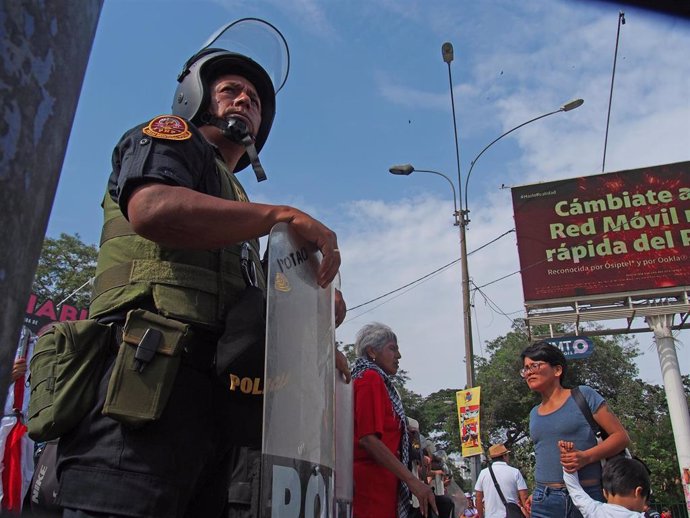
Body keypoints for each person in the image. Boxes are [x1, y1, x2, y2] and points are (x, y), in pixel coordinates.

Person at [54, 20, 346, 518]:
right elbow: (154, 209)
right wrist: (279, 215)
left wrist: (312, 313)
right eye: (231, 90)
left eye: (254, 98)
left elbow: (247, 308)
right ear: (195, 97)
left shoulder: (236, 199)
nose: (245, 101)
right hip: (140, 390)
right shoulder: (170, 138)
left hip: (210, 411)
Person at [521, 341, 630, 518]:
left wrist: (586, 457)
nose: (529, 372)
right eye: (525, 369)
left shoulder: (584, 395)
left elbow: (621, 437)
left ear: (557, 370)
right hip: (544, 501)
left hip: (588, 497)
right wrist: (540, 492)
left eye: (535, 365)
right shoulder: (534, 413)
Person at [352, 323, 438, 518]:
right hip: (371, 487)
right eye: (392, 348)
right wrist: (413, 481)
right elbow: (369, 440)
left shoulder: (375, 380)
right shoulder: (370, 378)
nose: (398, 356)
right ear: (372, 351)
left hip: (382, 484)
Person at [560, 441, 650, 517]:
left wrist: (568, 460)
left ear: (605, 493)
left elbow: (575, 490)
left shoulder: (594, 510)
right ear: (637, 492)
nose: (644, 507)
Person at [474, 443, 528, 518]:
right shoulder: (515, 472)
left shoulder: (483, 473)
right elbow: (524, 496)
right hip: (512, 515)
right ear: (504, 456)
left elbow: (478, 498)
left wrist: (481, 516)